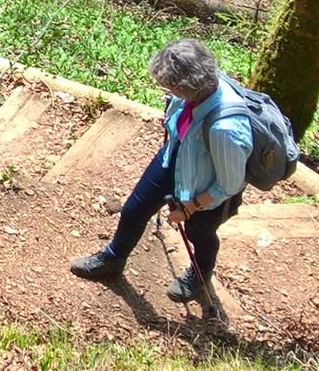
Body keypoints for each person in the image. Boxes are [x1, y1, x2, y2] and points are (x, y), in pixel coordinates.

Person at [68, 38, 251, 304]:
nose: (165, 89)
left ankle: (200, 275)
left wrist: (190, 207)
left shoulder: (226, 129)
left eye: (169, 86)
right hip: (173, 159)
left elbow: (229, 184)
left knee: (199, 235)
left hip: (206, 191)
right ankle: (113, 258)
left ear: (187, 87)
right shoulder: (198, 93)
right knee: (133, 210)